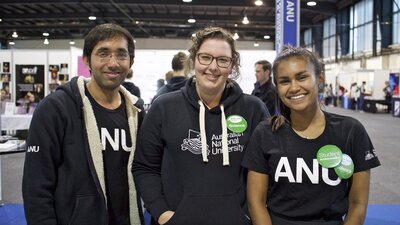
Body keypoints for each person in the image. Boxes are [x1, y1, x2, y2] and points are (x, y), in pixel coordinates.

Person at [132, 26, 269, 225]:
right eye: (205, 57)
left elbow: (266, 169)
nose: (213, 67)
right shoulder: (163, 107)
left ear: (232, 66)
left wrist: (247, 214)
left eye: (223, 60)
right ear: (194, 59)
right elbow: (145, 167)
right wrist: (162, 213)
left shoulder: (253, 109)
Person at [22, 23, 145, 225]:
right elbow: (36, 184)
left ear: (131, 61)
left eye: (121, 54)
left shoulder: (137, 112)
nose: (113, 63)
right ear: (87, 59)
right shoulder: (55, 108)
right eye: (103, 53)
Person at [242, 45, 381, 225]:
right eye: (284, 81)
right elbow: (256, 203)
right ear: (277, 87)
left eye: (302, 77)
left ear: (319, 78)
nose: (294, 87)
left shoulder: (351, 131)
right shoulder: (265, 133)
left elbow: (358, 204)